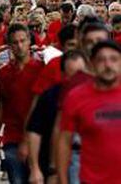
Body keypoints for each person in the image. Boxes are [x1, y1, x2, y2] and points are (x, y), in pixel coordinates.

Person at [58, 40, 121, 183]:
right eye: (101, 60)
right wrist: (62, 179)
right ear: (91, 64)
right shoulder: (76, 97)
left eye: (114, 59)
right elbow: (64, 141)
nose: (108, 65)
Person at [0, 23, 44, 183]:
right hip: (12, 137)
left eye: (23, 41)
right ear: (9, 46)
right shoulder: (3, 74)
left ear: (29, 41)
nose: (20, 46)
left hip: (38, 137)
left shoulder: (42, 69)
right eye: (15, 42)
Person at [27, 50, 87, 182]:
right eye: (71, 76)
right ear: (63, 75)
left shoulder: (100, 97)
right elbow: (34, 132)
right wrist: (35, 168)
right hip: (54, 167)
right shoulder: (49, 96)